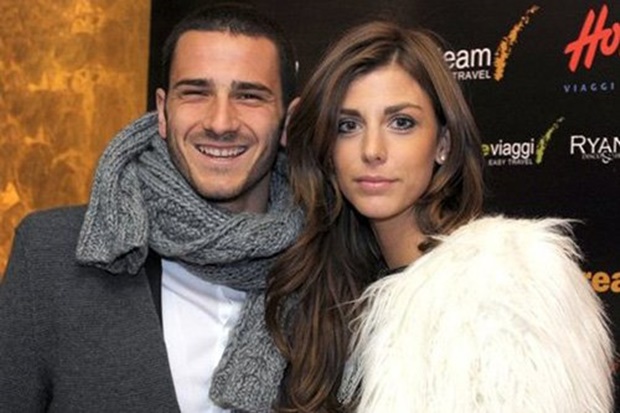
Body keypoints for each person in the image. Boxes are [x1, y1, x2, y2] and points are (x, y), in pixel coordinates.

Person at [266, 21, 614, 412]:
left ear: (443, 144)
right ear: (327, 148)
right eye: (348, 126)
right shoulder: (331, 292)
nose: (372, 150)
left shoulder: (506, 284)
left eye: (401, 123)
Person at [0, 3, 302, 412]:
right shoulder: (51, 254)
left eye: (249, 96)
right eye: (195, 92)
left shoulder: (329, 270)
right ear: (162, 111)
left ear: (288, 122)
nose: (220, 122)